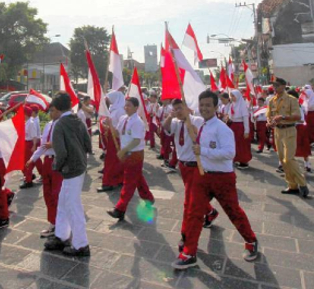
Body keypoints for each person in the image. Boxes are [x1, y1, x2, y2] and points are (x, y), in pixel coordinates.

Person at [172, 90, 259, 270]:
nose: (204, 108)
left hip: (222, 178)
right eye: (202, 105)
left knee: (233, 211)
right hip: (202, 176)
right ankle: (189, 252)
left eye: (208, 105)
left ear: (215, 107)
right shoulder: (202, 125)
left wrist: (203, 151)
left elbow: (230, 153)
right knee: (194, 212)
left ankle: (251, 241)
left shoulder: (222, 128)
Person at [163, 99, 218, 253]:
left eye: (180, 108)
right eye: (175, 109)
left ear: (187, 108)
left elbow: (205, 139)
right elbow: (166, 129)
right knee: (193, 197)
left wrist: (192, 129)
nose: (177, 111)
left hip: (196, 165)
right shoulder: (175, 122)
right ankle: (210, 211)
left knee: (189, 202)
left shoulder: (198, 121)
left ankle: (186, 236)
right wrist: (169, 116)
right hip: (183, 165)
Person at [43, 92, 92, 257]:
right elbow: (87, 142)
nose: (51, 114)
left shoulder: (59, 124)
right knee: (63, 203)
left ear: (56, 109)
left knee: (72, 206)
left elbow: (61, 152)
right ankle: (62, 235)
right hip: (79, 165)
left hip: (70, 169)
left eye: (51, 110)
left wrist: (57, 166)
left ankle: (81, 244)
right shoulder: (77, 119)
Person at [107, 97, 155, 220]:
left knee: (128, 182)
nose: (126, 107)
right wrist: (109, 126)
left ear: (135, 107)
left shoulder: (137, 122)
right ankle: (148, 198)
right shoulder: (123, 119)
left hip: (135, 154)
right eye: (125, 105)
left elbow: (136, 140)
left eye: (129, 105)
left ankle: (120, 208)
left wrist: (123, 150)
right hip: (126, 154)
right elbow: (118, 133)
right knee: (137, 177)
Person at [267, 78, 309, 198]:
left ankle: (302, 183)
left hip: (289, 129)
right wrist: (269, 122)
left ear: (284, 86)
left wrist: (283, 117)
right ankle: (292, 185)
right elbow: (269, 116)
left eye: (277, 85)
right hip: (277, 131)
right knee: (282, 159)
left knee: (289, 158)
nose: (275, 88)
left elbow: (297, 116)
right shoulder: (272, 101)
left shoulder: (292, 100)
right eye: (274, 85)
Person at [26, 105, 63, 238]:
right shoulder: (48, 125)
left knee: (56, 194)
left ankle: (60, 224)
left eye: (53, 110)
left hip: (58, 161)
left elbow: (69, 143)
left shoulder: (64, 125)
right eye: (50, 111)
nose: (50, 113)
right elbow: (43, 144)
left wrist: (55, 144)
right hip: (47, 160)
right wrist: (33, 158)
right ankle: (52, 222)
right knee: (47, 193)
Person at [97, 91, 125, 192]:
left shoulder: (120, 110)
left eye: (109, 98)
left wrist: (109, 125)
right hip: (112, 137)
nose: (107, 100)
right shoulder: (114, 109)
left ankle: (108, 182)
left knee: (111, 161)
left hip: (116, 138)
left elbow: (120, 128)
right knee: (115, 160)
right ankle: (118, 179)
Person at [227, 89, 252, 169]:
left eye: (233, 96)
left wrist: (246, 131)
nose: (232, 98)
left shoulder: (242, 105)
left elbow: (245, 118)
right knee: (234, 144)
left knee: (242, 144)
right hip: (233, 126)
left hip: (240, 126)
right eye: (231, 96)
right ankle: (236, 158)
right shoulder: (232, 105)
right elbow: (230, 116)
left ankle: (243, 161)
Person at [21, 106, 37, 189]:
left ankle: (28, 180)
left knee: (28, 163)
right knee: (23, 163)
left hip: (29, 143)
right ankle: (28, 176)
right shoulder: (26, 122)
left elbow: (34, 136)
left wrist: (34, 146)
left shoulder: (31, 123)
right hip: (25, 143)